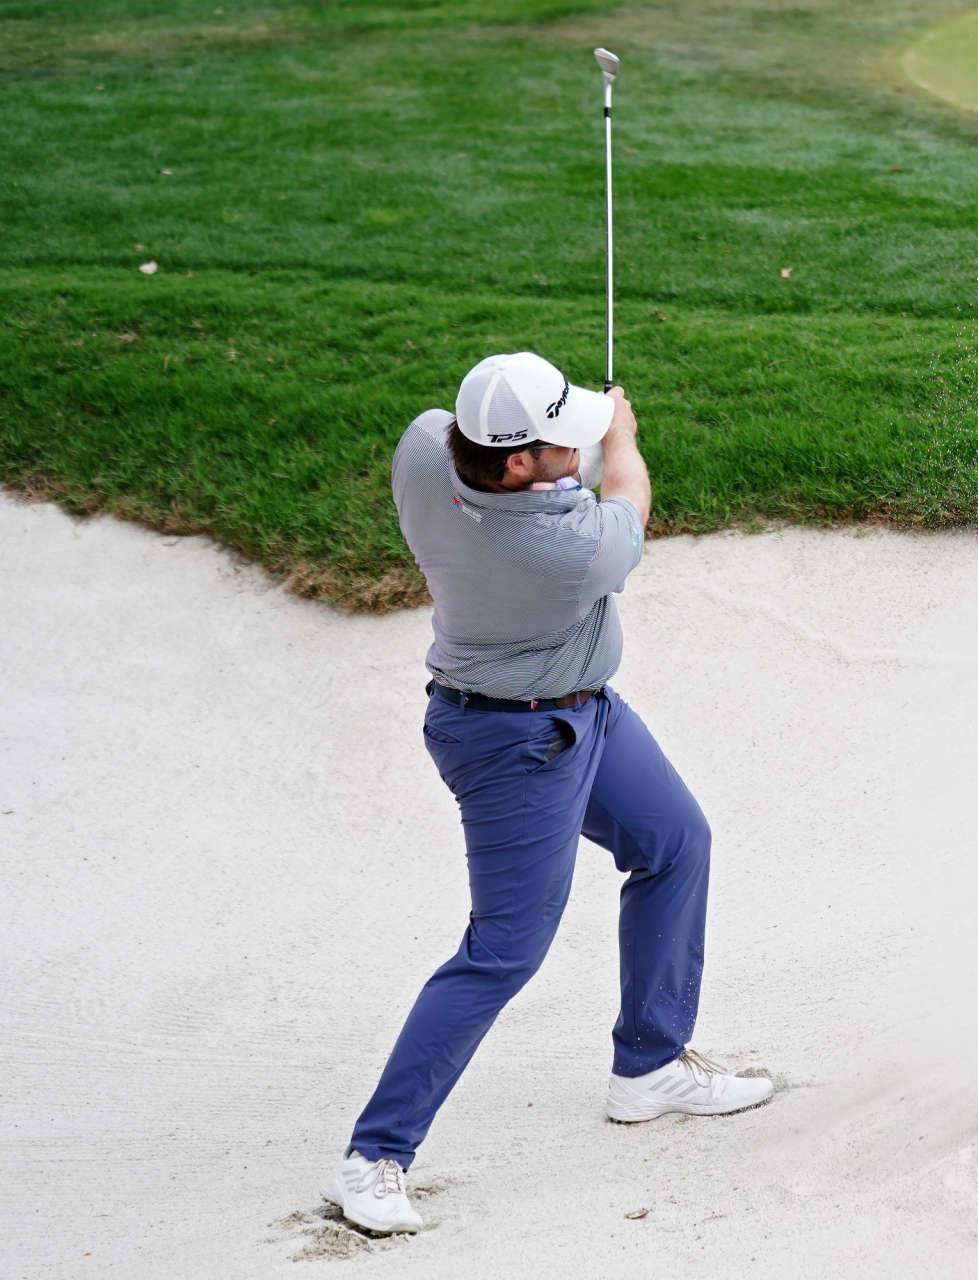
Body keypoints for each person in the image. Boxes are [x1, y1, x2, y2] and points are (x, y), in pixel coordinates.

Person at [322, 351, 772, 1235]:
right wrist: (622, 432)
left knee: (675, 841)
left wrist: (569, 430)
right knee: (504, 950)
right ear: (519, 462)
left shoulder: (423, 449)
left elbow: (521, 452)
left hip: (583, 713)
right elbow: (629, 506)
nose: (586, 446)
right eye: (564, 442)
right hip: (513, 743)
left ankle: (647, 1067)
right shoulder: (565, 548)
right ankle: (375, 1156)